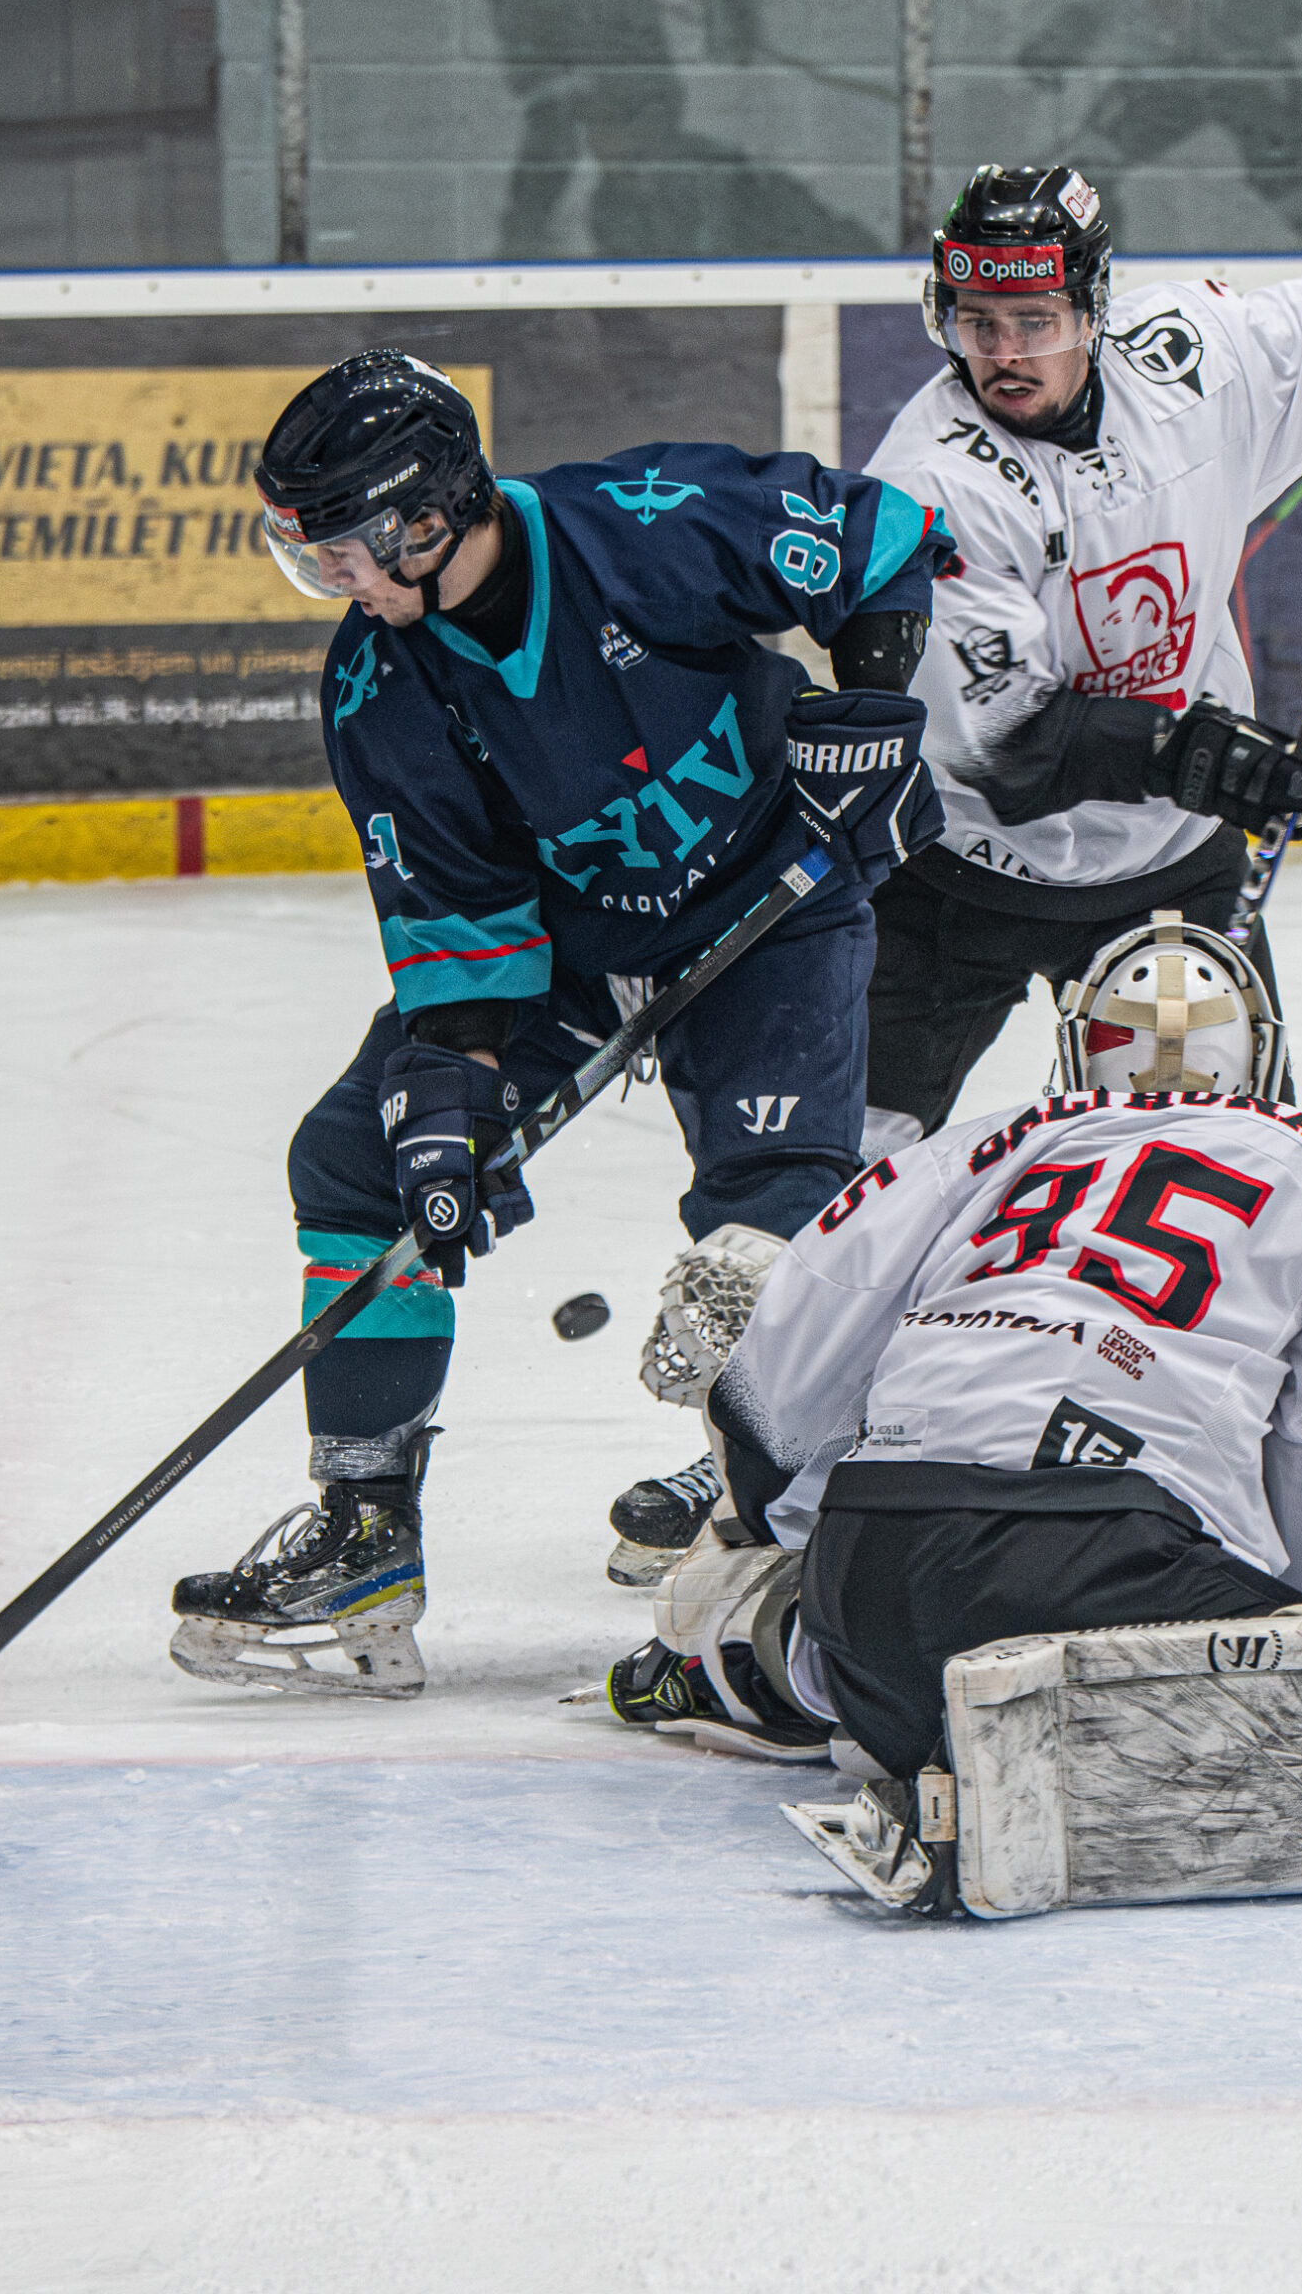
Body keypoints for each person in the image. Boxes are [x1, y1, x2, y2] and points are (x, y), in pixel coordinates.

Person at [168, 349, 950, 1696]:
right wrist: (448, 1106)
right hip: (576, 946)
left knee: (773, 1226)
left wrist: (872, 717)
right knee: (359, 1158)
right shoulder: (375, 684)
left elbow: (881, 539)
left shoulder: (641, 526)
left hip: (774, 898)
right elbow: (458, 925)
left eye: (344, 549)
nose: (335, 581)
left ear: (425, 520)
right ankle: (365, 1531)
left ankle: (780, 1532)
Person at [605, 912, 1302, 1791]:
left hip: (876, 1566)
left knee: (852, 1628)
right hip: (1128, 1571)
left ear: (1078, 1050)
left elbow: (776, 1403)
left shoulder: (954, 1156)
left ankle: (765, 1657)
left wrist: (786, 1545)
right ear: (1261, 1053)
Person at [860, 163, 1302, 1146]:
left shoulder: (1185, 358)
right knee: (835, 1182)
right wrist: (1210, 758)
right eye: (977, 322)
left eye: (1035, 321)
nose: (1003, 355)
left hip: (1168, 872)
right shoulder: (930, 482)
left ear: (1094, 309)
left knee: (1223, 1164)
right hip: (951, 874)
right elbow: (1007, 743)